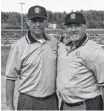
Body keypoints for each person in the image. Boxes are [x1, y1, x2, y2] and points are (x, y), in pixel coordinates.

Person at [6, 5, 58, 110]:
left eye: (41, 20)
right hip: (28, 101)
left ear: (46, 22)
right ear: (28, 22)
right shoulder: (19, 46)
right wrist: (9, 106)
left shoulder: (54, 42)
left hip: (51, 99)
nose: (38, 24)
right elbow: (10, 78)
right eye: (34, 21)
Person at [57, 12, 104, 110]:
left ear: (85, 27)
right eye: (70, 26)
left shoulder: (95, 51)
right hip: (65, 104)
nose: (73, 30)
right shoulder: (62, 48)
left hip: (86, 105)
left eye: (77, 26)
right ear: (66, 29)